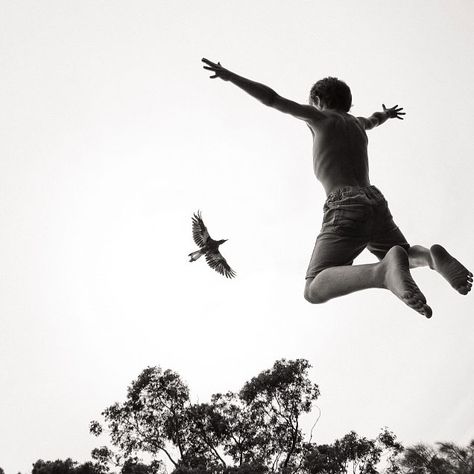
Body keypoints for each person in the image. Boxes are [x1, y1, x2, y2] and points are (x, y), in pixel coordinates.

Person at [201, 58, 472, 317]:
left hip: (344, 204)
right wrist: (387, 114)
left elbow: (273, 99)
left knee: (314, 287)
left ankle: (381, 274)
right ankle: (431, 258)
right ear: (348, 104)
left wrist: (231, 76)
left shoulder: (320, 118)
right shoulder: (357, 123)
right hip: (375, 201)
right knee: (406, 253)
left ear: (317, 102)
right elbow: (374, 119)